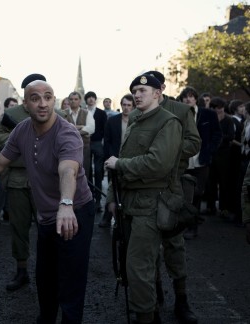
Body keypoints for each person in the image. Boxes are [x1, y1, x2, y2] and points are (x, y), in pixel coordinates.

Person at [0, 79, 95, 323]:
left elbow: (68, 170)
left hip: (75, 212)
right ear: (26, 104)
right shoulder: (22, 130)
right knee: (45, 278)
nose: (43, 103)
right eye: (35, 98)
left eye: (48, 97)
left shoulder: (66, 132)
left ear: (54, 100)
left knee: (71, 281)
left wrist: (66, 204)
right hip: (48, 216)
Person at [105, 74, 183, 324]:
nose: (137, 95)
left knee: (138, 268)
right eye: (134, 91)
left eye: (142, 90)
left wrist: (121, 164)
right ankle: (150, 312)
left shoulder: (168, 122)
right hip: (128, 202)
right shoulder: (137, 119)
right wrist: (110, 198)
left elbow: (158, 164)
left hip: (150, 204)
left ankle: (146, 317)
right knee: (132, 265)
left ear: (158, 93)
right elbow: (120, 159)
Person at [143, 70, 201, 323]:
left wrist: (167, 150)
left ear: (162, 89)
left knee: (174, 245)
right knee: (147, 246)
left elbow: (194, 143)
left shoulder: (180, 111)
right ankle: (154, 297)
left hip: (171, 186)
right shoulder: (139, 112)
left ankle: (182, 299)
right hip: (144, 189)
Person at [0, 73, 46, 291]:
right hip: (17, 179)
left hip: (45, 180)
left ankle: (47, 271)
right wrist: (23, 136)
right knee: (19, 228)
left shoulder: (54, 113)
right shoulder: (11, 115)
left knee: (48, 228)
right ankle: (21, 270)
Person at [179, 86, 222, 240]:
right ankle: (186, 225)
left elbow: (217, 134)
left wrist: (209, 151)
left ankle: (192, 226)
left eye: (191, 96)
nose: (188, 99)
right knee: (184, 194)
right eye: (185, 97)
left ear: (196, 98)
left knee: (197, 193)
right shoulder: (178, 115)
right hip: (183, 161)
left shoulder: (208, 114)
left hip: (201, 161)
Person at [98, 93, 135, 228]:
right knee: (112, 189)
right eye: (124, 105)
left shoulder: (137, 121)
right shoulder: (112, 121)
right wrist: (108, 159)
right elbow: (106, 142)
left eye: (129, 105)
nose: (126, 108)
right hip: (114, 161)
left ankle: (126, 218)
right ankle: (107, 217)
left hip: (131, 162)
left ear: (133, 107)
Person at [0, 97, 19, 224]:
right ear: (6, 107)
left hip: (17, 160)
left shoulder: (19, 121)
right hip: (3, 158)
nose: (13, 108)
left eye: (15, 105)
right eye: (11, 105)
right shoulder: (1, 121)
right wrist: (14, 137)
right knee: (2, 188)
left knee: (14, 189)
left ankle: (9, 213)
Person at [84, 91, 107, 212]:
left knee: (98, 171)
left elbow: (105, 128)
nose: (91, 100)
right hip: (86, 143)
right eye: (89, 98)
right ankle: (89, 198)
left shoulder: (101, 113)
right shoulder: (83, 112)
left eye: (93, 98)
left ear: (95, 99)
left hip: (98, 143)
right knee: (87, 171)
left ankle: (98, 200)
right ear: (86, 100)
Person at [66, 91, 95, 186]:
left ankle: (84, 198)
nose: (73, 101)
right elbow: (62, 131)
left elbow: (91, 128)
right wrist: (81, 127)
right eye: (71, 99)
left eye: (76, 99)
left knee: (84, 173)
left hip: (84, 148)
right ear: (68, 101)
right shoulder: (63, 114)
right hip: (67, 149)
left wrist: (72, 129)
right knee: (68, 174)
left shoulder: (87, 113)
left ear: (80, 101)